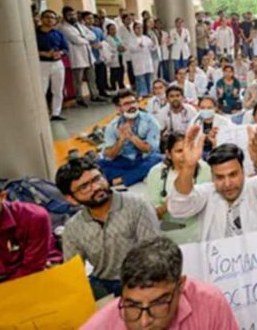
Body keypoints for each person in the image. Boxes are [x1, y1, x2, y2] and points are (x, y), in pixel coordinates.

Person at [167, 127, 257, 329]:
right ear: (212, 177)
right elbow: (178, 206)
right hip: (219, 284)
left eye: (233, 174)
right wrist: (188, 167)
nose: (227, 184)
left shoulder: (254, 187)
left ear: (244, 171)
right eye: (220, 177)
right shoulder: (206, 193)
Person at [80, 237, 238, 330]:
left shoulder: (209, 303)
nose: (144, 321)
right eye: (132, 305)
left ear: (181, 285)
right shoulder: (102, 325)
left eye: (158, 303)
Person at [56, 158, 160, 299]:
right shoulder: (73, 227)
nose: (96, 187)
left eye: (97, 179)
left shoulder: (137, 206)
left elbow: (153, 255)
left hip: (142, 278)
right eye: (85, 186)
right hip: (103, 283)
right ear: (71, 198)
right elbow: (74, 272)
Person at [145, 133, 211, 245]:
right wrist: (166, 207)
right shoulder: (156, 173)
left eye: (188, 149)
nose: (185, 155)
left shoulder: (204, 168)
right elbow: (151, 215)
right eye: (179, 151)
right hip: (170, 230)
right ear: (168, 154)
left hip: (200, 227)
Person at [100, 89, 163, 186]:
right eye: (126, 104)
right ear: (119, 108)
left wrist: (131, 136)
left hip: (144, 159)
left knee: (159, 159)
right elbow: (109, 155)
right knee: (100, 164)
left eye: (133, 102)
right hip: (124, 161)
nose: (132, 106)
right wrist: (121, 140)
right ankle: (138, 175)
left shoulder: (150, 120)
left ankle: (120, 180)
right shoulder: (112, 126)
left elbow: (148, 149)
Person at [59, 6, 102, 106]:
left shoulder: (79, 25)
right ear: (65, 16)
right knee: (78, 80)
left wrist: (83, 37)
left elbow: (93, 35)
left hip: (88, 56)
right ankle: (79, 98)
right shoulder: (64, 28)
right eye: (69, 15)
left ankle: (94, 95)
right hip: (77, 57)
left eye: (73, 14)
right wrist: (85, 39)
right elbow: (76, 40)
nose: (72, 16)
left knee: (92, 78)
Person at [35, 9, 69, 120]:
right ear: (42, 18)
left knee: (58, 90)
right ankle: (42, 113)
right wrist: (43, 53)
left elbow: (65, 48)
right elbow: (31, 49)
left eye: (52, 18)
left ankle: (56, 113)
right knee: (42, 90)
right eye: (47, 17)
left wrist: (60, 53)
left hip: (57, 63)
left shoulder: (58, 34)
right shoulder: (35, 33)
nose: (49, 20)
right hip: (42, 64)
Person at [127, 22, 156, 96]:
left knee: (148, 78)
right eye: (138, 28)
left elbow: (152, 48)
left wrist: (153, 44)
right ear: (134, 29)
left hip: (147, 61)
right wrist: (138, 46)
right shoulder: (131, 39)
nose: (140, 29)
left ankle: (149, 92)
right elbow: (131, 49)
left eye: (141, 28)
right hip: (138, 62)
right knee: (140, 79)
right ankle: (142, 94)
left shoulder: (146, 38)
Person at [104, 23, 127, 94]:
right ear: (108, 30)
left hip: (121, 56)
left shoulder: (117, 37)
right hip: (113, 58)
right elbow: (108, 48)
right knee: (114, 73)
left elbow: (122, 44)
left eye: (114, 29)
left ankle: (121, 85)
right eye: (111, 29)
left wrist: (123, 47)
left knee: (121, 71)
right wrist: (117, 49)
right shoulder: (108, 39)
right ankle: (113, 87)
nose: (114, 30)